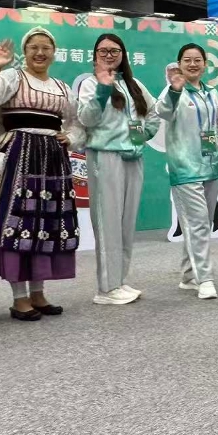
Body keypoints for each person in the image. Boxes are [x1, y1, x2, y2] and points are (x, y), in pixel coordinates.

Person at [0, 28, 84, 321]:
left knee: (46, 222)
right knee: (20, 221)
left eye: (46, 47)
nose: (40, 53)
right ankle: (19, 297)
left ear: (54, 53)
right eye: (34, 47)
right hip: (20, 154)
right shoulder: (12, 77)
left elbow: (76, 122)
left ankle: (38, 292)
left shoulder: (62, 87)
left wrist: (70, 137)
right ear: (25, 51)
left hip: (53, 159)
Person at [76, 33, 158, 306]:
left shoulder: (133, 84)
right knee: (107, 222)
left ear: (123, 54)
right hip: (105, 157)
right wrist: (102, 90)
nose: (109, 55)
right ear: (95, 55)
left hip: (133, 158)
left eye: (114, 50)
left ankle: (119, 280)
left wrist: (143, 135)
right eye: (103, 51)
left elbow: (154, 112)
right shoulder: (90, 83)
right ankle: (106, 288)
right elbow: (86, 119)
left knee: (125, 223)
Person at [156, 43, 218, 300]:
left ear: (205, 64)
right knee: (197, 223)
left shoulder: (211, 92)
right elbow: (162, 111)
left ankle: (188, 275)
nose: (193, 64)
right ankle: (205, 279)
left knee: (203, 224)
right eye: (187, 60)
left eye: (197, 60)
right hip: (185, 167)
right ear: (179, 64)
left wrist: (217, 140)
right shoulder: (174, 90)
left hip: (210, 165)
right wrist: (174, 90)